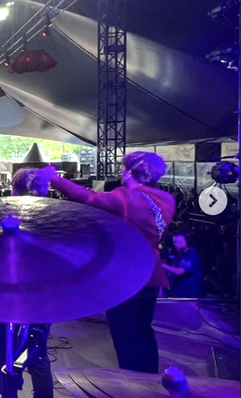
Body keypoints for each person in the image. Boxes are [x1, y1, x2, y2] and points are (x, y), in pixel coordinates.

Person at [39, 151, 176, 374]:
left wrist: (53, 178)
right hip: (152, 272)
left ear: (129, 173)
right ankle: (150, 381)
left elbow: (89, 198)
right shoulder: (167, 199)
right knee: (143, 330)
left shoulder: (125, 198)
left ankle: (134, 387)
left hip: (126, 276)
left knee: (125, 335)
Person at [0, 168, 55, 398]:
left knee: (0, 359)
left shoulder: (11, 218)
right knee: (37, 354)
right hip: (46, 296)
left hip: (17, 296)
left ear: (14, 190)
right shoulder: (56, 217)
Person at [162, 232, 204, 298]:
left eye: (180, 242)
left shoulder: (192, 254)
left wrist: (162, 265)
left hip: (188, 296)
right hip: (178, 294)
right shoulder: (181, 254)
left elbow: (179, 271)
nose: (176, 244)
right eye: (175, 242)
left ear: (188, 241)